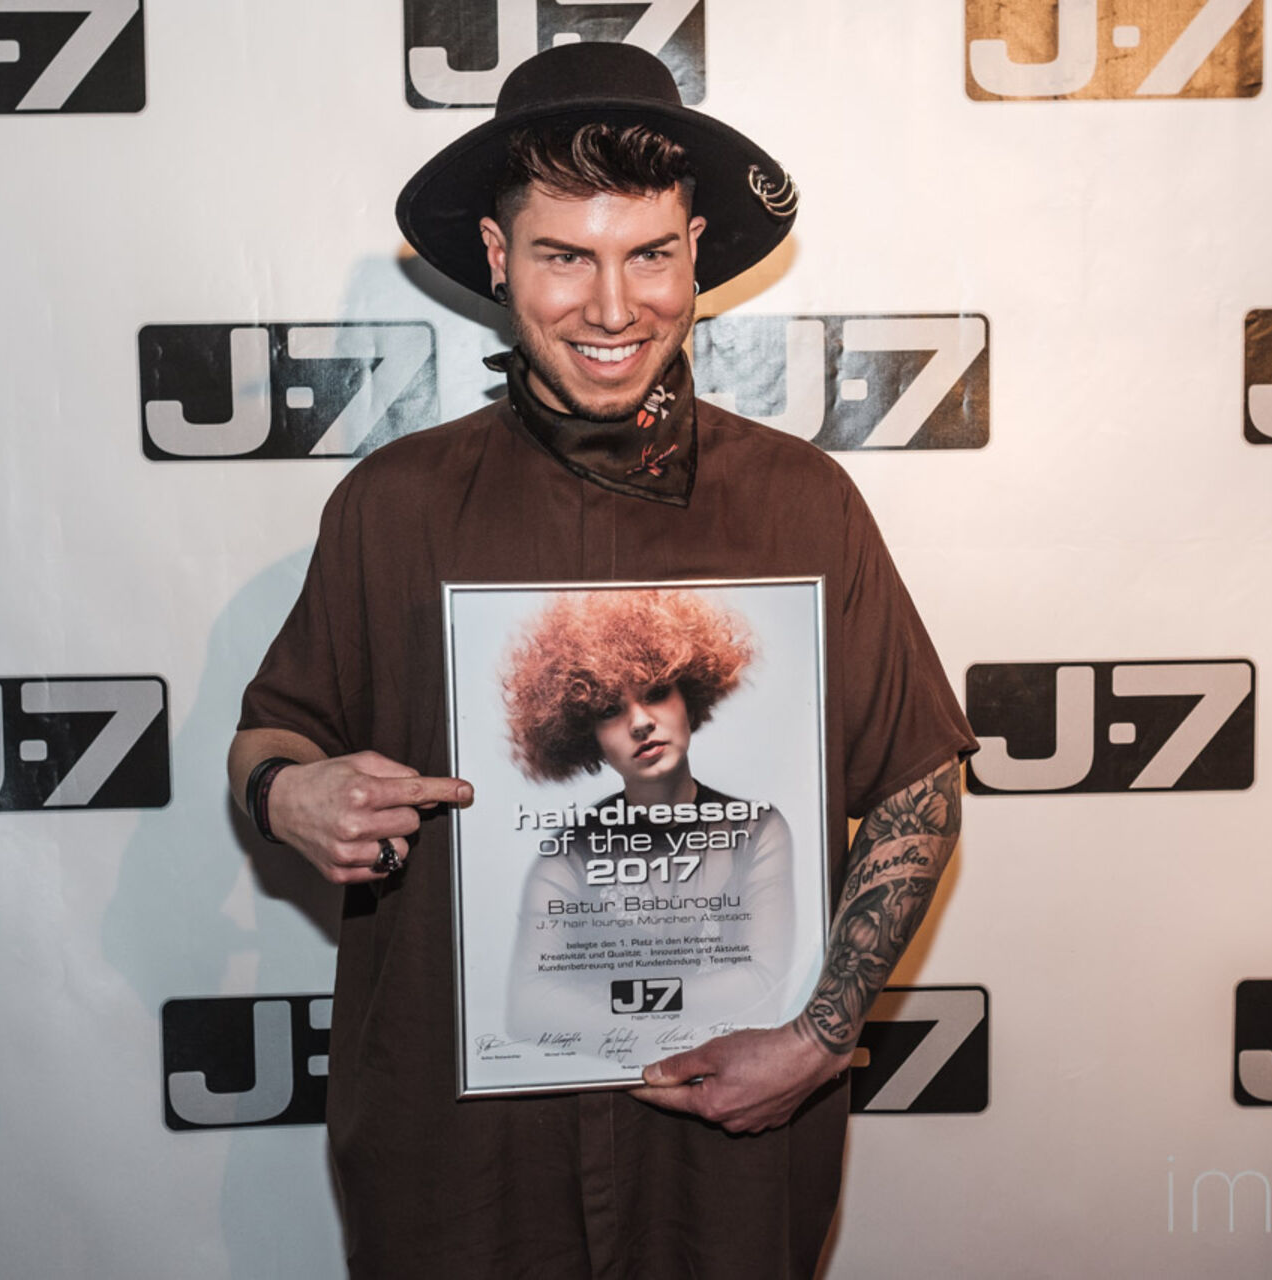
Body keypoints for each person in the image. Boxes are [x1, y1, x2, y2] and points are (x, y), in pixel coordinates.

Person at [229, 41, 976, 1279]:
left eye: (650, 255)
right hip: (459, 1156)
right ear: (496, 255)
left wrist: (820, 1035)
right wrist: (285, 790)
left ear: (697, 251)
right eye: (566, 255)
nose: (615, 306)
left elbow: (918, 782)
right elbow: (272, 734)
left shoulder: (803, 505)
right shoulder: (392, 507)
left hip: (724, 1155)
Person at [498, 589, 801, 1045]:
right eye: (609, 709)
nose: (639, 722)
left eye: (656, 692)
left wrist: (607, 1002)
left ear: (690, 699)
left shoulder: (756, 830)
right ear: (585, 734)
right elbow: (531, 1007)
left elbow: (764, 988)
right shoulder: (568, 854)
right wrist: (678, 1008)